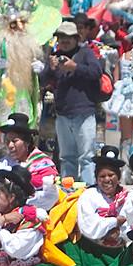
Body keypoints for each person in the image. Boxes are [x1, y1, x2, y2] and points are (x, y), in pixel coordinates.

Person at [39, 23, 107, 182]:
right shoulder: (55, 55)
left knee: (87, 157)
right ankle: (68, 193)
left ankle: (89, 191)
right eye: (61, 37)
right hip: (62, 114)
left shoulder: (85, 53)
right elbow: (42, 80)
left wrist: (75, 67)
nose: (64, 41)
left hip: (84, 113)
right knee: (66, 157)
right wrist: (50, 68)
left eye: (69, 37)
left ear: (76, 39)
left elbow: (96, 72)